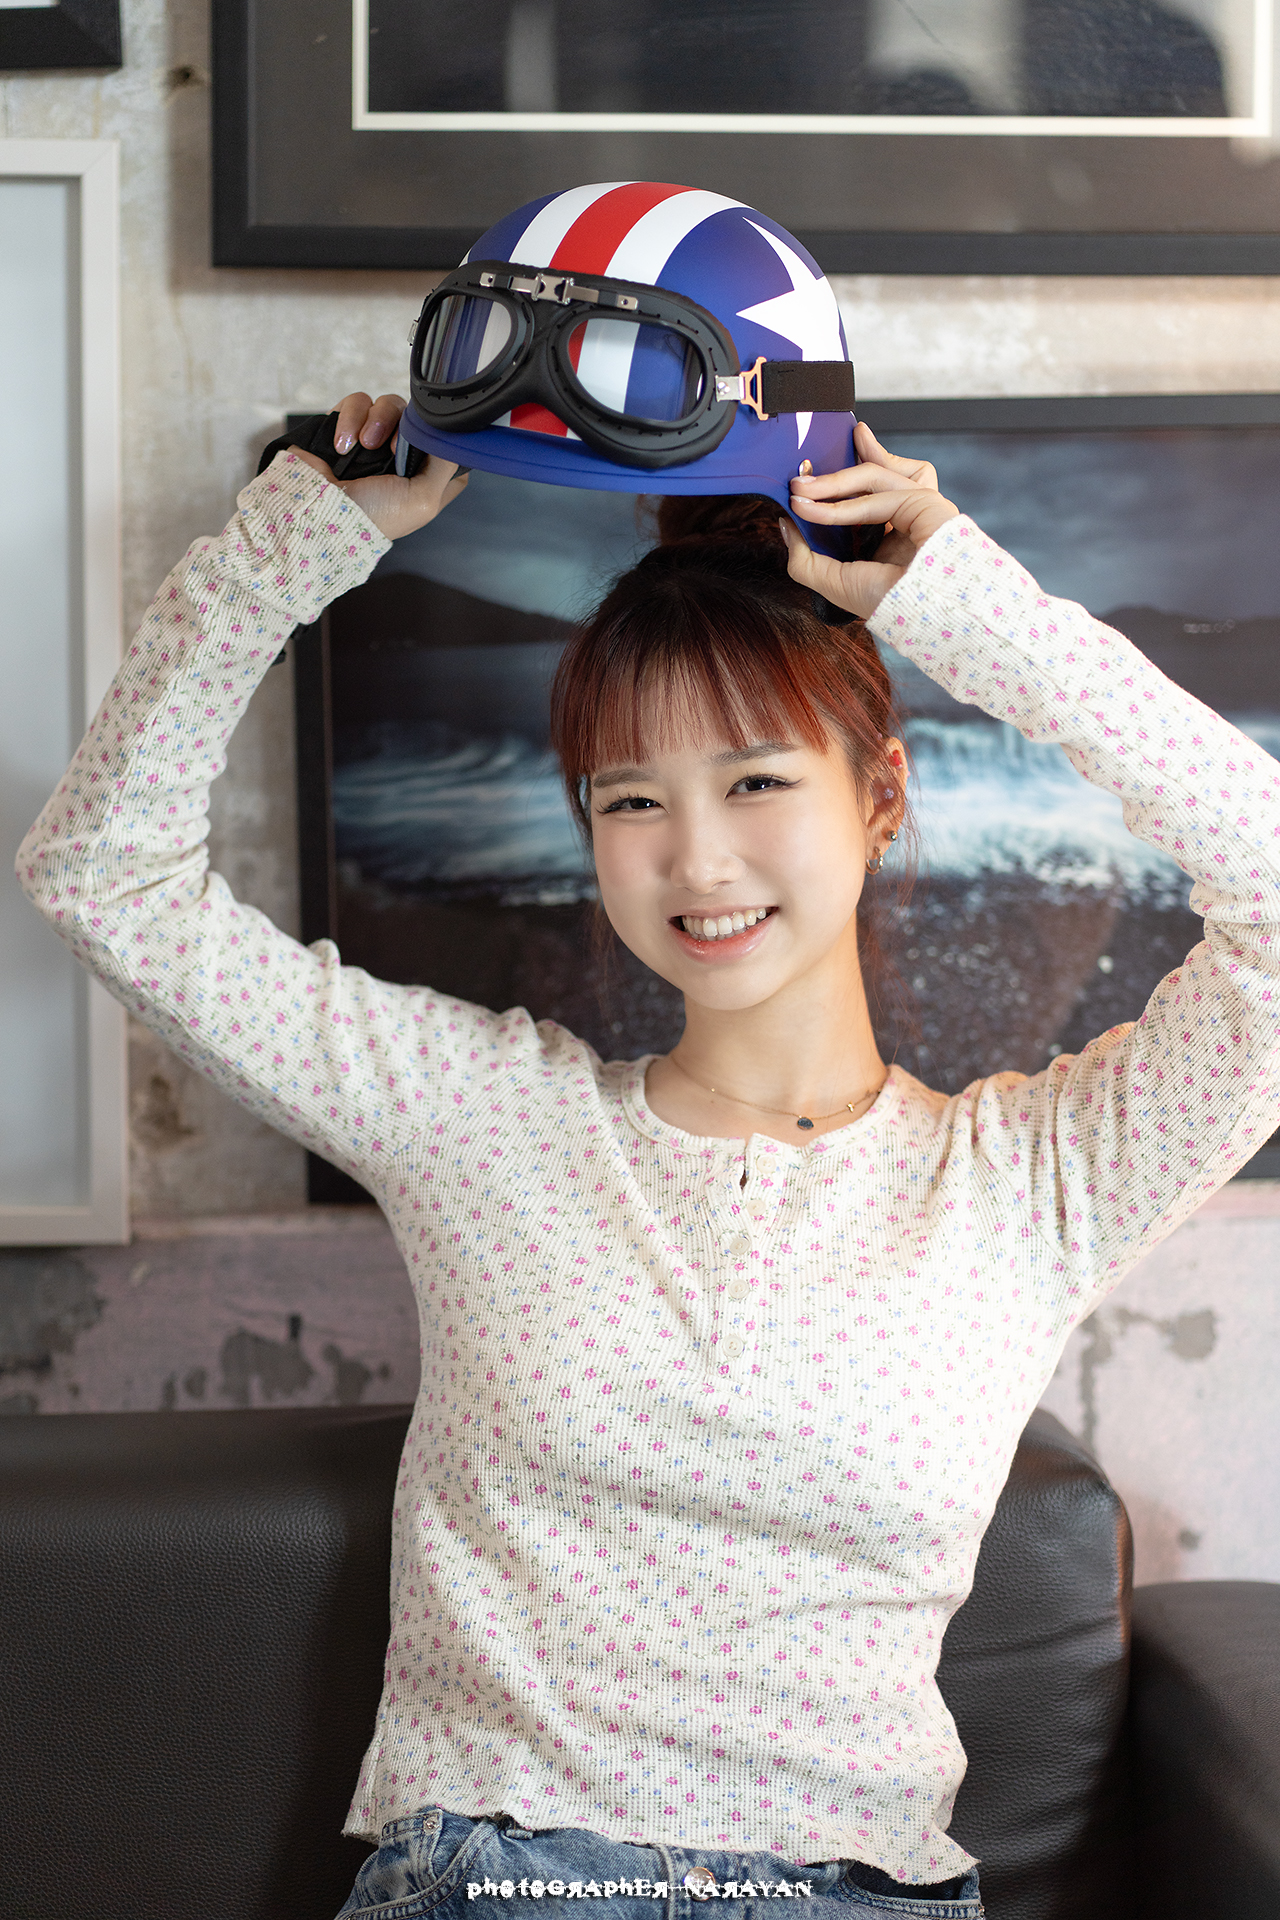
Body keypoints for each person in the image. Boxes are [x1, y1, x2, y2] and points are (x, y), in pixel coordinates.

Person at [19, 394, 1280, 1920]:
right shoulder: (477, 1119)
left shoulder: (1036, 1183)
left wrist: (962, 598)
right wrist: (295, 544)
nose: (696, 859)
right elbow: (106, 878)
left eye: (756, 781)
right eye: (632, 800)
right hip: (499, 1882)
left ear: (881, 794)